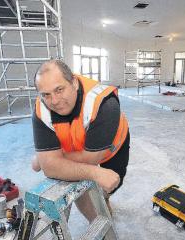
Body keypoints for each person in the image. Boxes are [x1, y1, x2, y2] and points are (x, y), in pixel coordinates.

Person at [32, 59, 130, 221]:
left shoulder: (104, 104)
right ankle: (97, 219)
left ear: (74, 83)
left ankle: (105, 198)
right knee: (81, 178)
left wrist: (47, 160)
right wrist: (95, 173)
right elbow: (51, 168)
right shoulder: (41, 109)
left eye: (59, 89)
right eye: (46, 94)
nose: (54, 101)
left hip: (112, 147)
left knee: (113, 180)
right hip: (73, 145)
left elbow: (90, 159)